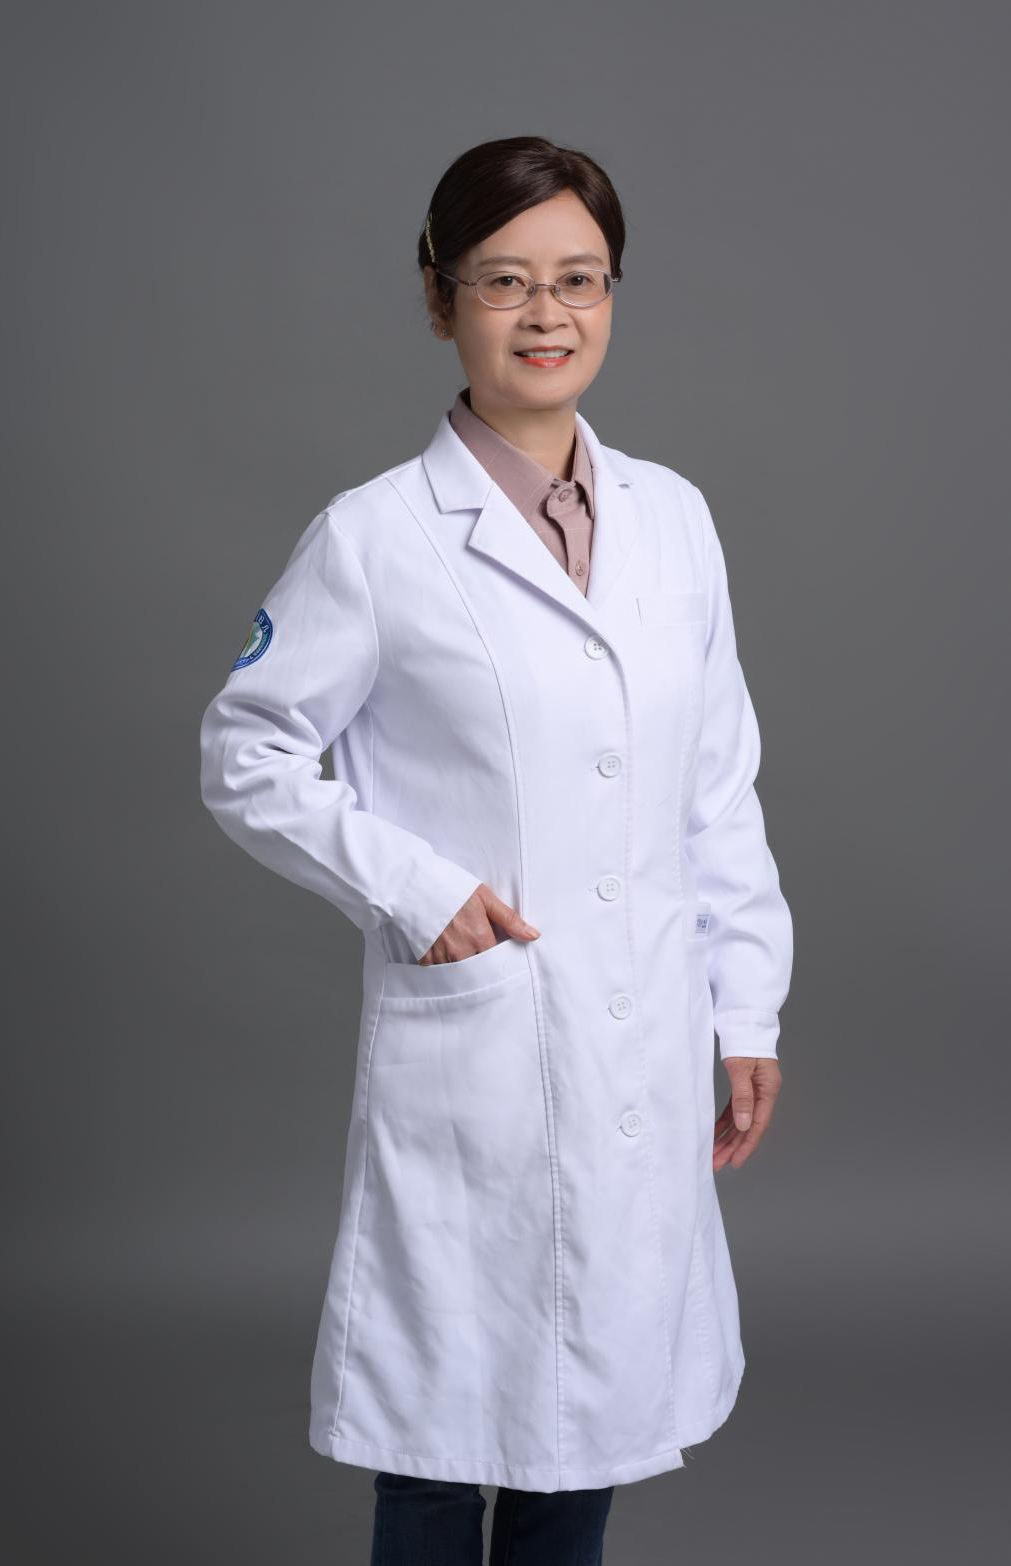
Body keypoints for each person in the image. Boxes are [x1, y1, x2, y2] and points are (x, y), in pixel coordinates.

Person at [199, 134, 794, 1566]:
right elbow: (245, 750)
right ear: (439, 297)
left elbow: (719, 784)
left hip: (641, 1036)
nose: (547, 315)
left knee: (589, 1426)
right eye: (505, 281)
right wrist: (417, 889)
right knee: (441, 1429)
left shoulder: (674, 520)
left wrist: (747, 1006)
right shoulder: (376, 539)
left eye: (579, 280)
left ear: (613, 295)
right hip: (482, 1049)